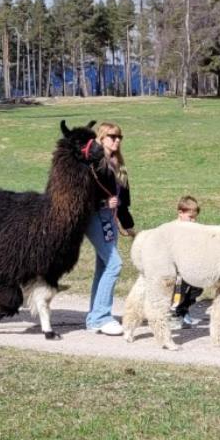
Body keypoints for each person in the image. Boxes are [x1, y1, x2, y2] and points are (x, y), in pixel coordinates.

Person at [85, 122, 135, 335]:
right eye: (112, 136)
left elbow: (123, 201)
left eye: (119, 137)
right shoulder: (92, 164)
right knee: (114, 264)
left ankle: (94, 317)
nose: (117, 140)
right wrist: (104, 204)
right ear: (101, 138)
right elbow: (82, 196)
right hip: (94, 217)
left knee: (103, 267)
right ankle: (101, 317)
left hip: (110, 220)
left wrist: (129, 226)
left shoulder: (119, 165)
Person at [169, 195, 203, 330]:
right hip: (176, 268)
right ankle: (174, 315)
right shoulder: (172, 228)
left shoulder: (193, 228)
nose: (193, 221)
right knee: (178, 291)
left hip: (191, 266)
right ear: (180, 213)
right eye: (190, 217)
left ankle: (183, 310)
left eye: (195, 218)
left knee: (198, 287)